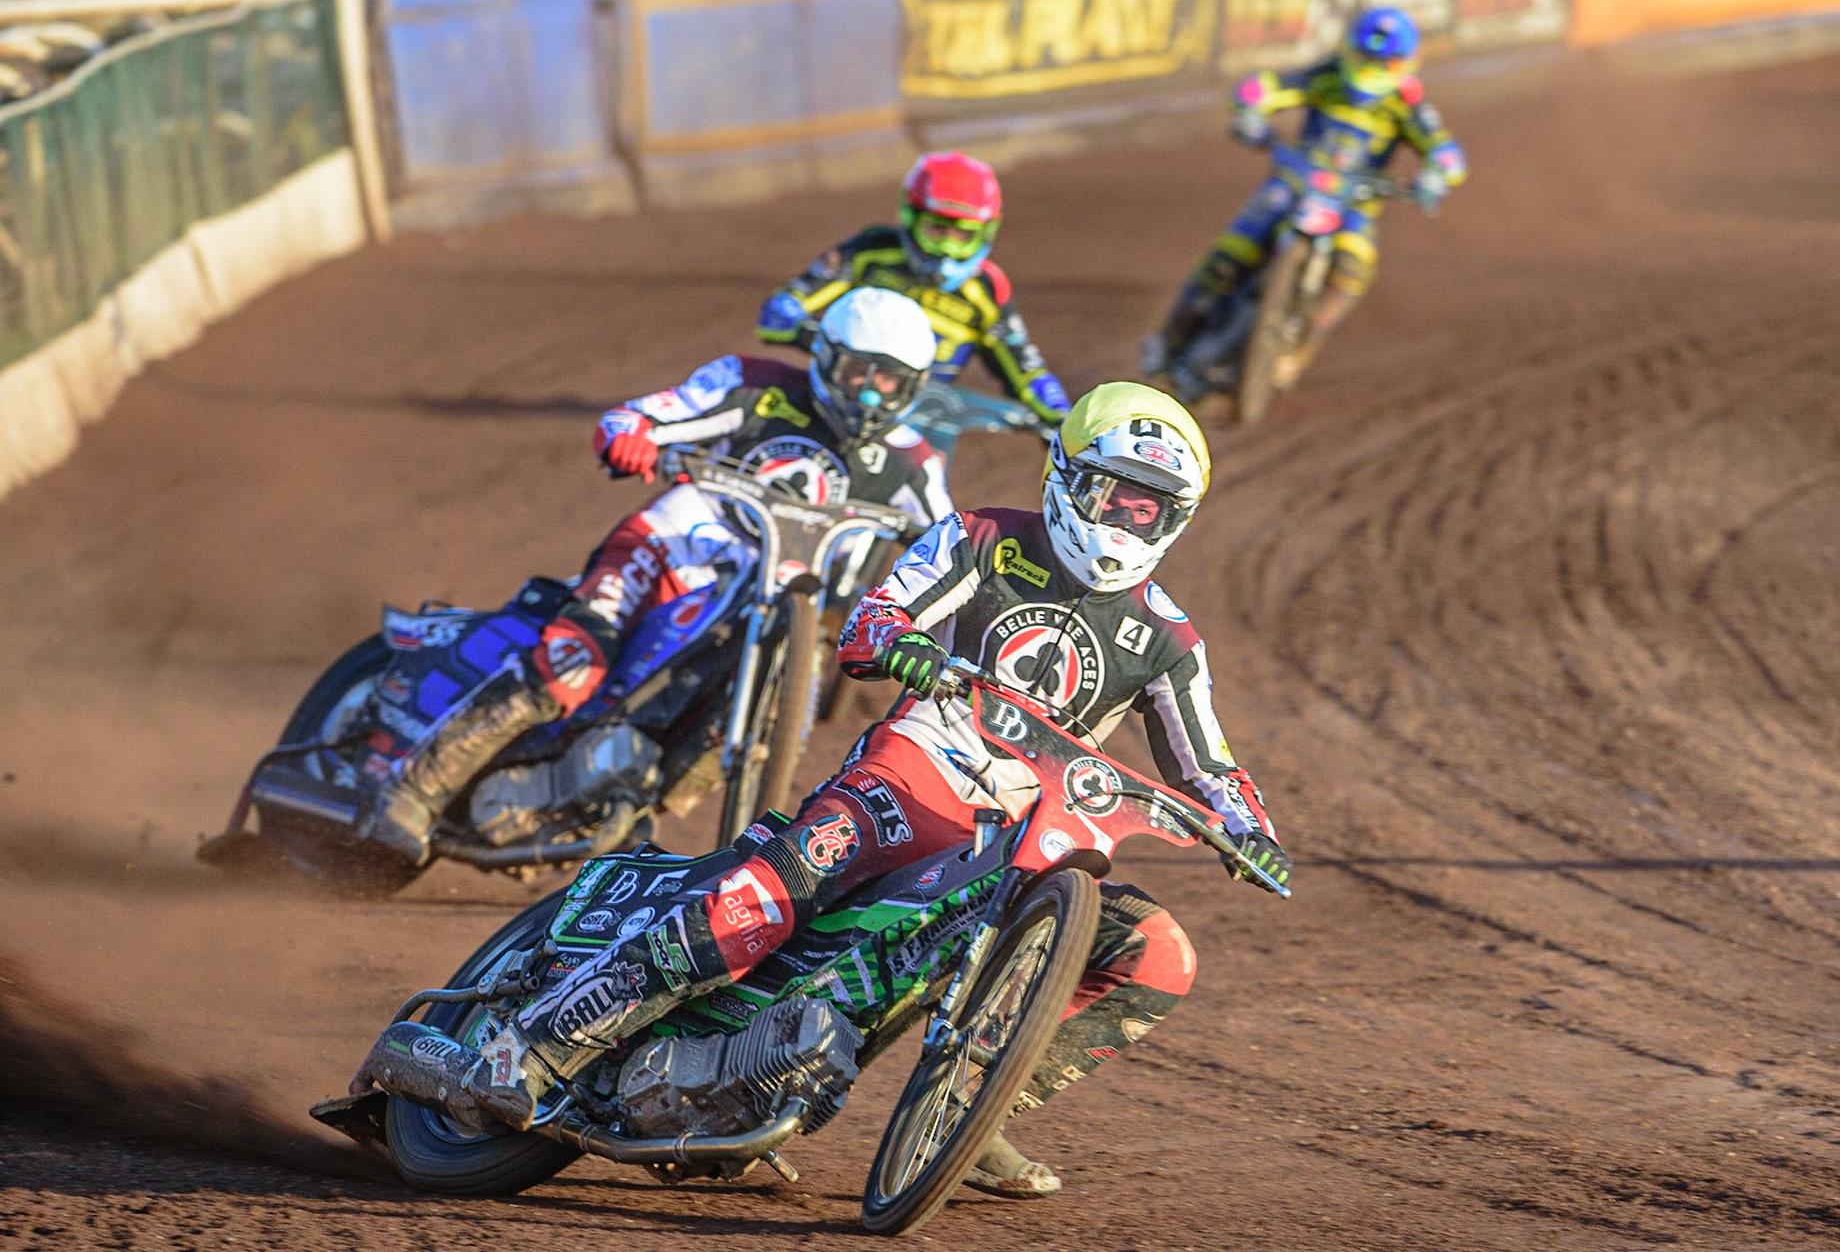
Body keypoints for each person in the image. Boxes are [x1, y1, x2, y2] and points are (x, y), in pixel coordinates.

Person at [353, 382, 1292, 1199]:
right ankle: (541, 1045)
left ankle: (971, 1099)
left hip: (1026, 829)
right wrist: (905, 642)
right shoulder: (977, 538)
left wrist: (1251, 828)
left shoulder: (1170, 637)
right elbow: (873, 619)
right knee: (774, 890)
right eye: (1114, 496)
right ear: (1066, 475)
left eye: (1150, 509)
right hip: (919, 768)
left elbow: (1209, 764)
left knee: (1159, 954)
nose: (1127, 520)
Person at [356, 287, 952, 865]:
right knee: (573, 661)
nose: (870, 394)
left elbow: (951, 547)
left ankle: (629, 808)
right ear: (827, 360)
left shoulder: (912, 462)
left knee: (750, 726)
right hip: (675, 543)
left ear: (913, 388)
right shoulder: (755, 387)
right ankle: (415, 789)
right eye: (857, 373)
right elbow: (655, 412)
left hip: (781, 592)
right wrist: (633, 436)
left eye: (888, 380)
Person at [1142, 6, 1468, 397]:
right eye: (1365, 57)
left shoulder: (1407, 104)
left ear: (1403, 63)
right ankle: (1168, 342)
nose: (1370, 68)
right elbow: (1262, 86)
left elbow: (1447, 153)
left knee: (1352, 271)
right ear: (1350, 50)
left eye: (1382, 61)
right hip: (1294, 182)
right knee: (1227, 258)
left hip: (1354, 203)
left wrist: (1435, 176)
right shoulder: (1325, 75)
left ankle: (1297, 350)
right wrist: (1249, 112)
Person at [756, 150, 1071, 427]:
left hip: (919, 427)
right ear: (911, 217)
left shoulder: (986, 290)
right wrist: (823, 339)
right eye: (936, 230)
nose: (947, 247)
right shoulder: (871, 252)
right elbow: (778, 312)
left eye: (963, 236)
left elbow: (1029, 372)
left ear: (986, 233)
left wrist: (1063, 420)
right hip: (841, 402)